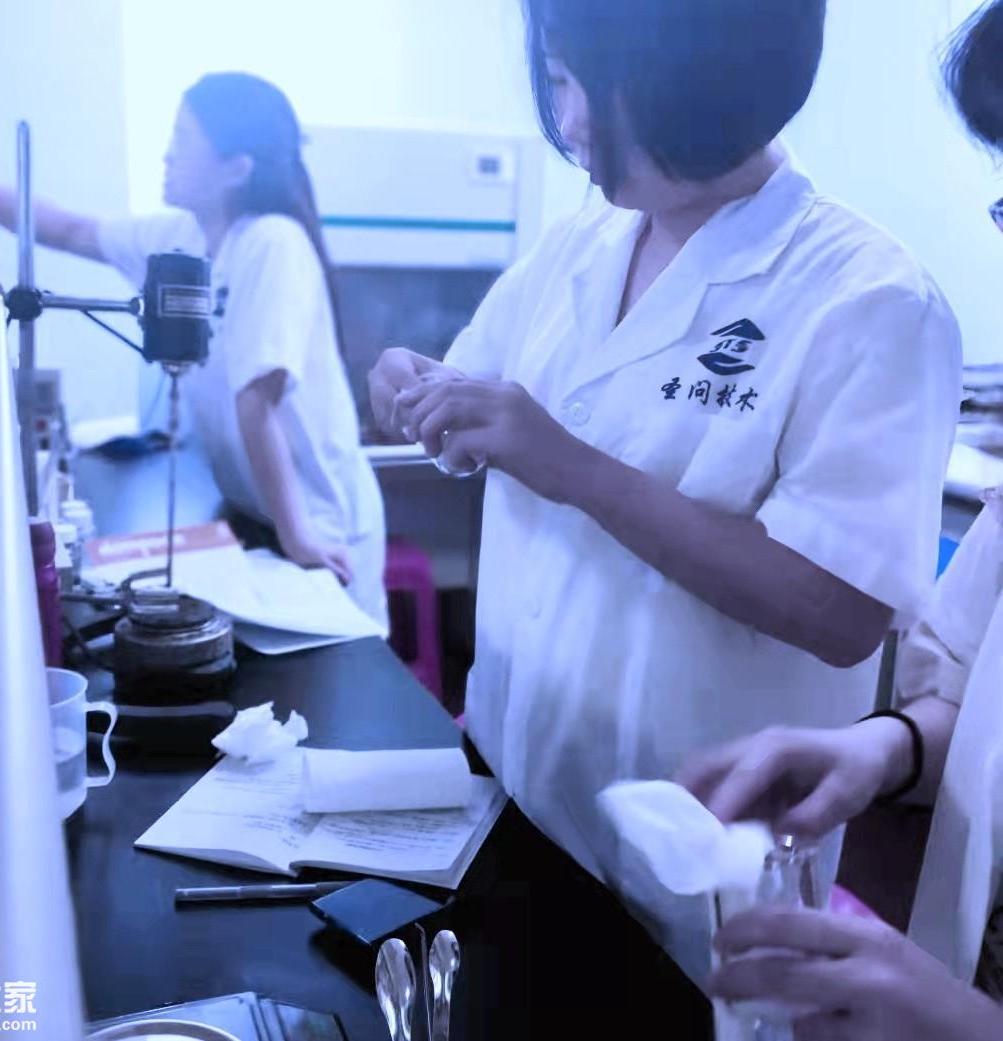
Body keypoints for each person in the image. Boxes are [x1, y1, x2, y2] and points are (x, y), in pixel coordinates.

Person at [367, 0, 962, 980]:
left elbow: (842, 611)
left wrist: (574, 467)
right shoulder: (579, 246)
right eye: (555, 80)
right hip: (516, 801)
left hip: (693, 874)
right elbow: (466, 389)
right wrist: (404, 384)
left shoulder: (871, 299)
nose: (569, 121)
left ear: (705, 84)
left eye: (591, 87)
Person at [677, 6, 1003, 1032]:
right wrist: (883, 750)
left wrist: (961, 1023)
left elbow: (832, 603)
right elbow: (967, 698)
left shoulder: (879, 300)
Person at [0, 73, 387, 626]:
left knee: (332, 662)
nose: (167, 155)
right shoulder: (182, 238)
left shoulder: (273, 241)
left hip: (316, 522)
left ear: (236, 169)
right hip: (258, 515)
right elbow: (71, 230)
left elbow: (256, 399)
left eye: (184, 139)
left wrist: (299, 537)